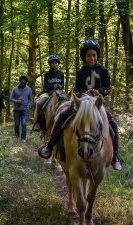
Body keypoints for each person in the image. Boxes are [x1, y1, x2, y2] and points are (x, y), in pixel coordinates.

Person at [41, 39, 122, 170]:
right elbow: (77, 89)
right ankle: (50, 145)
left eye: (94, 55)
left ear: (97, 56)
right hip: (82, 103)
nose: (92, 58)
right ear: (85, 56)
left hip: (98, 105)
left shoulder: (104, 71)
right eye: (89, 55)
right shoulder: (80, 72)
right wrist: (85, 93)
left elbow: (107, 88)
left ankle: (115, 155)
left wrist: (99, 92)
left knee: (113, 124)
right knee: (62, 116)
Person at [34, 55, 64, 132]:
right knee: (38, 103)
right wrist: (52, 87)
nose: (55, 64)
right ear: (50, 64)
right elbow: (46, 85)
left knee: (69, 102)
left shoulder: (61, 73)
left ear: (58, 64)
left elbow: (63, 85)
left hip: (60, 93)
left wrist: (60, 86)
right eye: (53, 63)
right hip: (48, 93)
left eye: (56, 63)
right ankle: (37, 123)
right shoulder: (47, 74)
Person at [10, 76, 32, 143]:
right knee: (17, 124)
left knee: (24, 124)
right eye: (22, 83)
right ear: (20, 82)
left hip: (24, 109)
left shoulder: (29, 89)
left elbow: (30, 99)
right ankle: (16, 136)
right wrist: (17, 101)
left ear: (26, 83)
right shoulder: (15, 89)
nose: (23, 84)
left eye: (24, 83)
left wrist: (28, 106)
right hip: (16, 109)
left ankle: (23, 138)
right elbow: (11, 98)